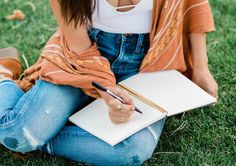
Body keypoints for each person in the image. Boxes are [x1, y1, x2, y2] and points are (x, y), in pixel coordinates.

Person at [0, 0, 218, 165]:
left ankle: (43, 138)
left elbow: (192, 4)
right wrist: (108, 91)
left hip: (149, 63)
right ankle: (2, 72)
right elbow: (78, 46)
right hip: (80, 55)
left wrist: (201, 68)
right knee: (18, 134)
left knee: (133, 148)